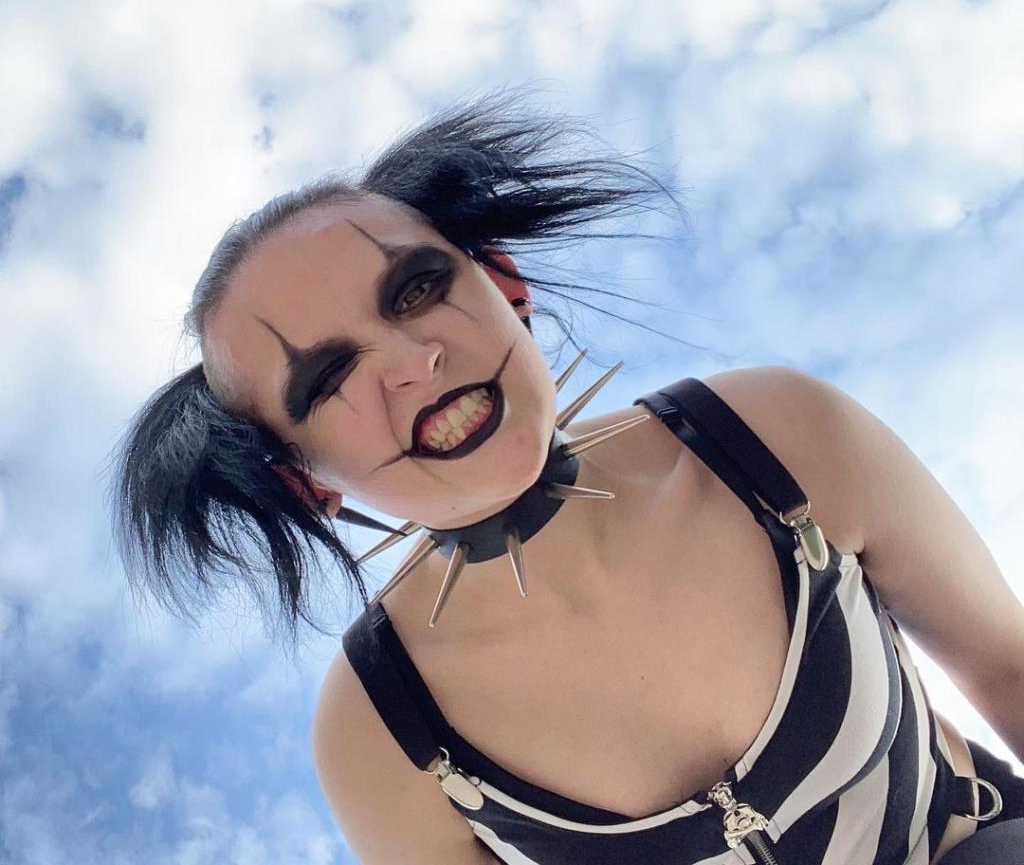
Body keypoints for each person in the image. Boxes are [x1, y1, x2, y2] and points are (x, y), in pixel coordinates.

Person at [112, 94, 1024, 864]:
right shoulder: (382, 729)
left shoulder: (771, 439)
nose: (414, 360)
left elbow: (1010, 670)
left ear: (503, 281)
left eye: (417, 288)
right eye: (328, 376)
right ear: (303, 483)